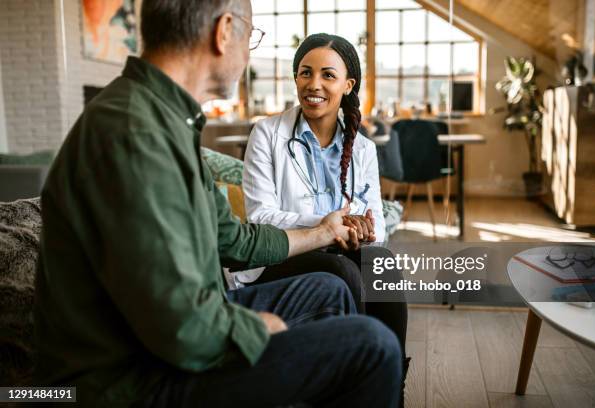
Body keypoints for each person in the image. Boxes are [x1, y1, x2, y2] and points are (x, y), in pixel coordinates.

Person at [33, 2, 402, 407]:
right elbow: (177, 327)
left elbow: (232, 239)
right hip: (128, 379)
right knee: (372, 346)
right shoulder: (136, 134)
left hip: (173, 332)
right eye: (252, 37)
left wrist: (325, 231)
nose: (249, 54)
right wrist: (255, 328)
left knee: (330, 288)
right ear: (224, 31)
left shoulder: (164, 119)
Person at [242, 32, 410, 396]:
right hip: (281, 255)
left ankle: (391, 383)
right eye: (305, 73)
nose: (313, 84)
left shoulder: (362, 148)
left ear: (348, 85)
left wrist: (362, 231)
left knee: (382, 266)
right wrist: (325, 227)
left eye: (327, 75)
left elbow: (377, 221)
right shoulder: (267, 134)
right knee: (341, 270)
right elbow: (261, 218)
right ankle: (350, 383)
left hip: (340, 250)